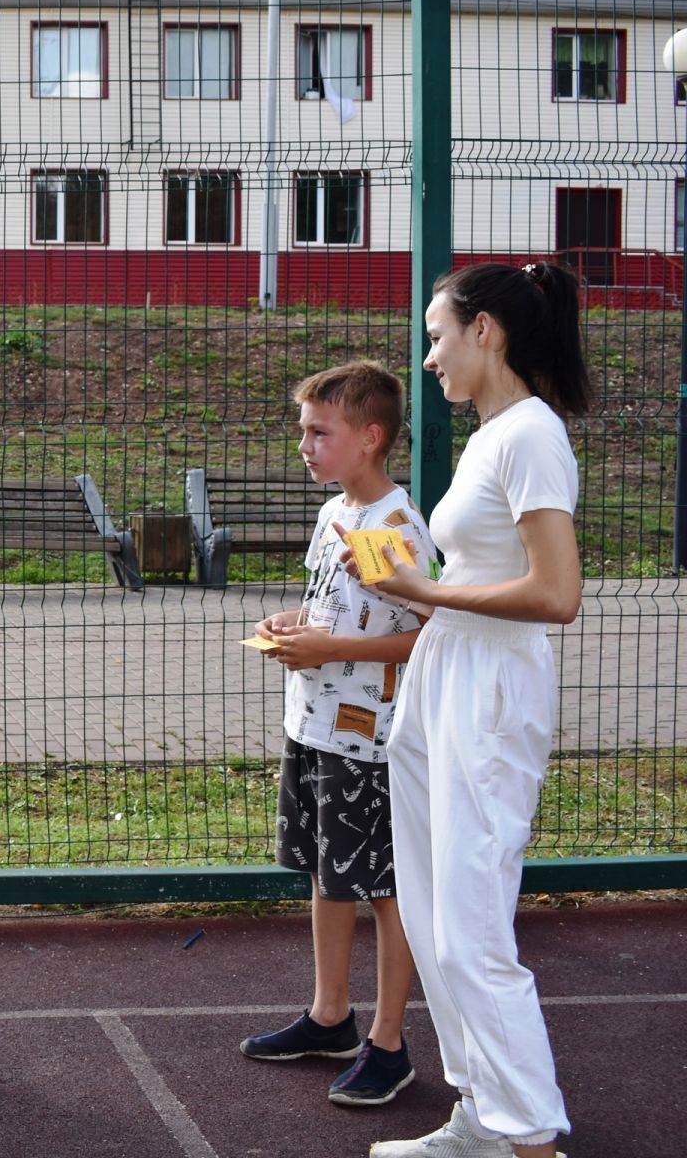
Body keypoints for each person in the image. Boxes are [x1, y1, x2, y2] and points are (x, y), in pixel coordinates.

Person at [359, 262, 592, 1158]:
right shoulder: (494, 433)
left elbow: (557, 592)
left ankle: (530, 1138)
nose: (428, 359)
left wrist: (429, 590)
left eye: (437, 335)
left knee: (470, 928)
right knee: (429, 912)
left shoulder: (531, 435)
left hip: (491, 691)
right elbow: (478, 576)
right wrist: (410, 587)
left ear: (484, 331)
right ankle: (482, 1117)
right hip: (449, 677)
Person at [239, 361, 434, 1107]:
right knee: (327, 870)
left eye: (321, 432)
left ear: (371, 437)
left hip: (373, 743)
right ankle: (330, 1016)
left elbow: (430, 635)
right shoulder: (335, 516)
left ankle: (389, 1041)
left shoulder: (394, 527)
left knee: (385, 887)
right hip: (316, 727)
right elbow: (335, 608)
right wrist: (291, 627)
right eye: (303, 431)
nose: (306, 445)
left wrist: (334, 650)